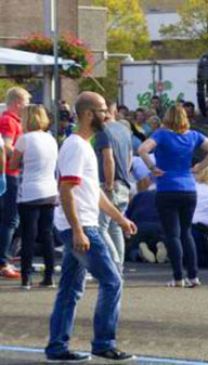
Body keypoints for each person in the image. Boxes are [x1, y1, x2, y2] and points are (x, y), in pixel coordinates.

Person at [44, 91, 138, 363]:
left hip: (81, 223)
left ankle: (57, 347)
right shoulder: (75, 146)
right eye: (101, 110)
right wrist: (78, 231)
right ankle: (103, 342)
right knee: (112, 280)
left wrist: (119, 218)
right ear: (87, 114)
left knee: (71, 289)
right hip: (81, 225)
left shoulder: (84, 144)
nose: (107, 115)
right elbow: (66, 190)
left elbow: (92, 193)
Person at [138, 105, 208, 288]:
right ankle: (193, 276)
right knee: (186, 232)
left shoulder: (161, 135)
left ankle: (178, 277)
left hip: (167, 188)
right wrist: (199, 166)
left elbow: (142, 150)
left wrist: (152, 168)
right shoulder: (193, 136)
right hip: (189, 189)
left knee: (172, 235)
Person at [10, 105, 58, 289]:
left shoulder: (24, 139)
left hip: (29, 191)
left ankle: (26, 277)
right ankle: (49, 276)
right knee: (47, 235)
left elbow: (14, 164)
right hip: (49, 191)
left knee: (28, 235)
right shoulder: (51, 139)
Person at [94, 103, 133, 270]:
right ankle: (119, 266)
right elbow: (129, 157)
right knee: (116, 226)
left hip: (109, 183)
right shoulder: (124, 130)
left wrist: (108, 184)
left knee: (100, 227)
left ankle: (114, 265)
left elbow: (108, 159)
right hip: (124, 182)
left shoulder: (103, 131)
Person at [0, 86, 30, 280]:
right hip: (10, 174)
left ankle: (6, 257)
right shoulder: (9, 121)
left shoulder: (12, 121)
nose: (27, 107)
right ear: (18, 103)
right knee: (11, 219)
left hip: (13, 173)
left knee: (14, 219)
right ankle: (4, 261)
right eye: (26, 103)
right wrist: (24, 158)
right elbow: (7, 147)